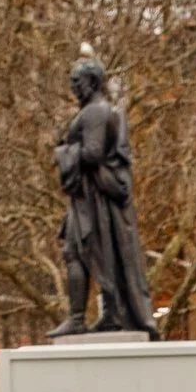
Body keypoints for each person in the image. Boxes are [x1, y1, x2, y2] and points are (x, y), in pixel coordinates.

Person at [48, 54, 157, 336]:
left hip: (94, 199)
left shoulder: (94, 112)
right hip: (90, 197)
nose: (73, 87)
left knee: (76, 252)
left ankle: (78, 318)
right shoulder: (97, 111)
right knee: (89, 254)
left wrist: (63, 152)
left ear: (93, 82)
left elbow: (93, 153)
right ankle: (108, 313)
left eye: (77, 81)